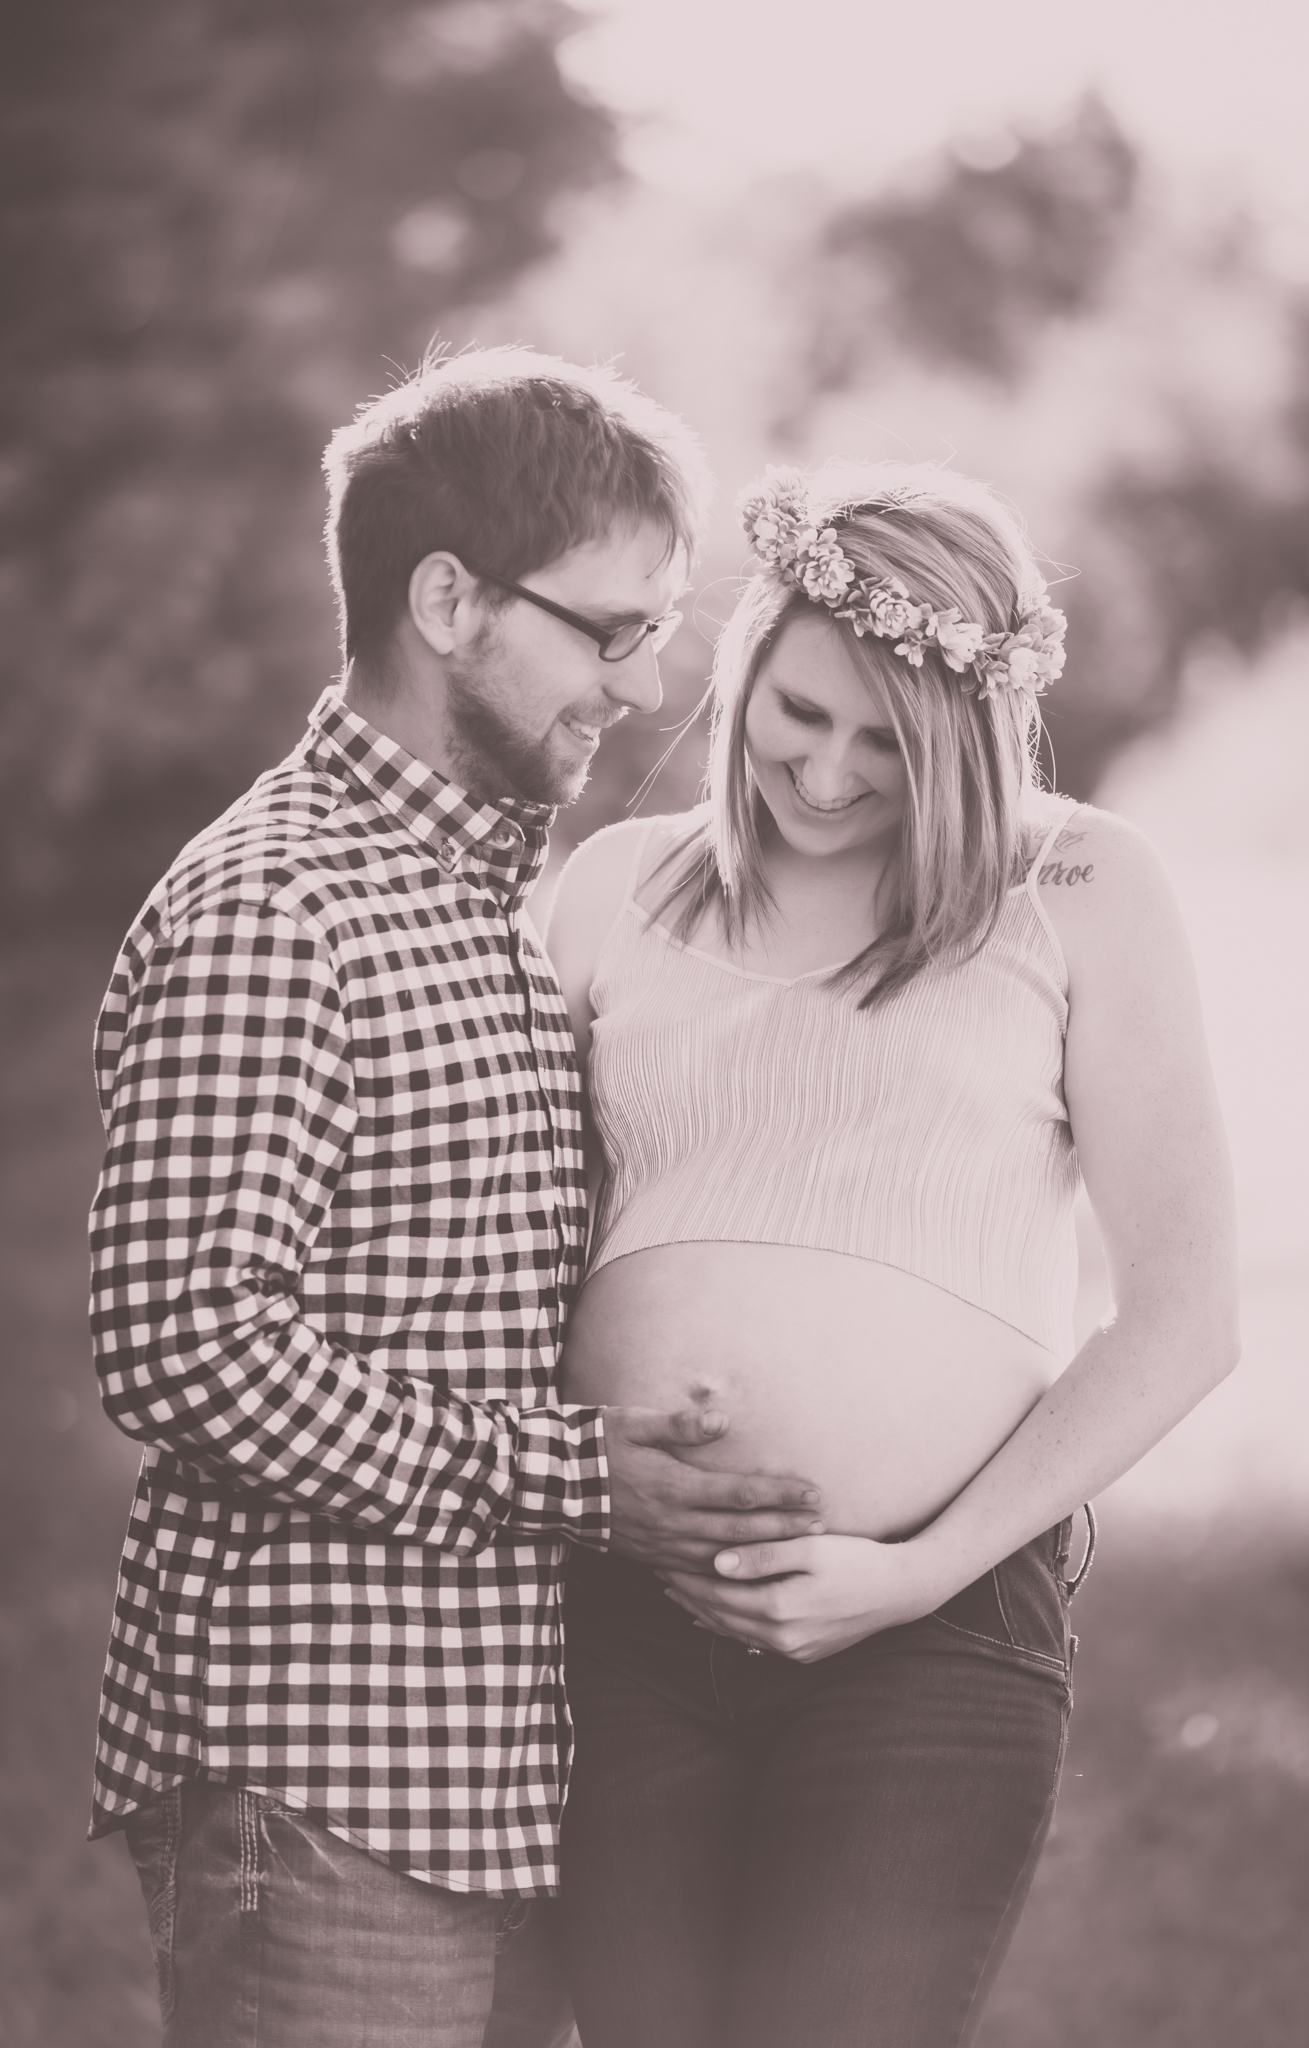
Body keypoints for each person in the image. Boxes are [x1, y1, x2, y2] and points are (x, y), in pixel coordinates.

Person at [86, 350, 827, 2048]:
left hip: (491, 1782)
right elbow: (184, 1346)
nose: (640, 691)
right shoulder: (276, 910)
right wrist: (576, 1474)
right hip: (323, 1779)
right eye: (610, 631)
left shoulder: (475, 896)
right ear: (447, 600)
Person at [546, 460, 1241, 2048]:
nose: (833, 775)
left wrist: (915, 1567)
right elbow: (488, 1242)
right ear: (742, 669)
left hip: (933, 1622)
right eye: (800, 713)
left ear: (975, 736)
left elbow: (1185, 1318)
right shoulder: (606, 891)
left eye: (890, 742)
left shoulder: (1072, 885)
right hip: (620, 1608)